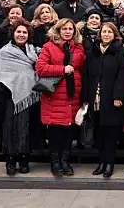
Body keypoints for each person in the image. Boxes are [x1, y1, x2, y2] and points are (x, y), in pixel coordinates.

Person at [35, 18, 85, 177]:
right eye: (64, 29)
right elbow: (41, 68)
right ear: (58, 30)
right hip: (54, 96)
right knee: (55, 131)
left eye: (70, 29)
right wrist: (63, 69)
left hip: (72, 96)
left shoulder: (78, 48)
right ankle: (55, 162)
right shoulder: (48, 47)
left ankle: (65, 161)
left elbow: (81, 65)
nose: (68, 31)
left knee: (69, 132)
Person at [0, 21, 40, 175]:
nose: (21, 35)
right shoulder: (5, 52)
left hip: (31, 96)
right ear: (13, 33)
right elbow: (0, 74)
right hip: (10, 97)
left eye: (24, 32)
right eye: (18, 32)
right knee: (11, 129)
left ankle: (24, 158)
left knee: (27, 128)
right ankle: (10, 160)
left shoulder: (34, 51)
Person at [84, 23, 124, 178]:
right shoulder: (93, 53)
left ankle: (109, 163)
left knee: (111, 135)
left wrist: (118, 96)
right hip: (95, 100)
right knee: (99, 134)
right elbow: (87, 76)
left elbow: (123, 77)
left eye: (110, 32)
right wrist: (86, 98)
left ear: (115, 34)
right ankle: (101, 162)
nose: (106, 34)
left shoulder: (121, 52)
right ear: (100, 34)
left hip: (112, 101)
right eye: (104, 31)